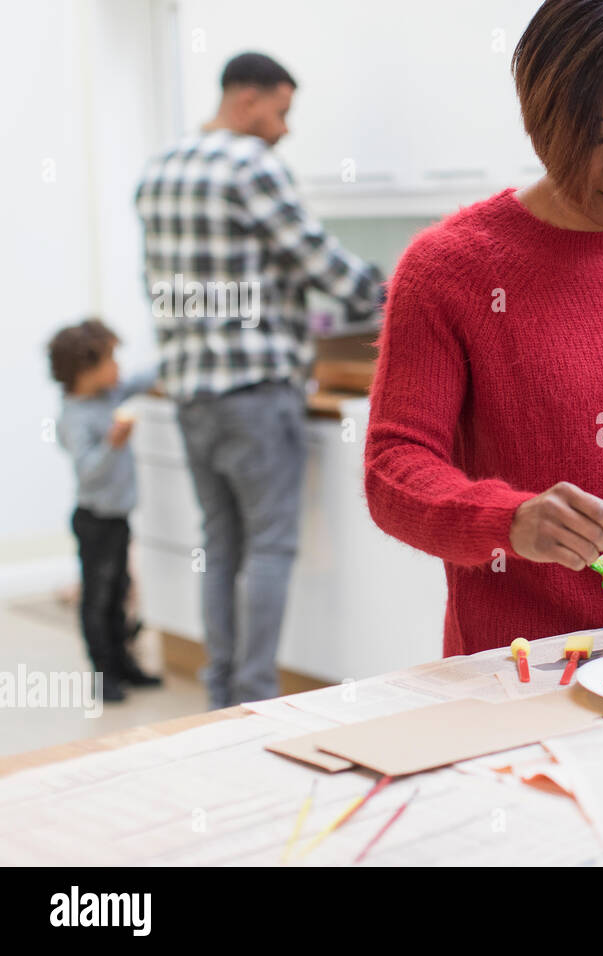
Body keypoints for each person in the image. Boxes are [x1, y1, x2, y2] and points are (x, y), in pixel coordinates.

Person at [364, 0, 603, 657]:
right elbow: (393, 471)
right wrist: (511, 521)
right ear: (540, 115)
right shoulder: (447, 270)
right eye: (599, 135)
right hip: (520, 667)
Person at [134, 52, 385, 707]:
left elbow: (152, 287)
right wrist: (400, 291)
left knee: (220, 545)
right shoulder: (252, 165)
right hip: (257, 391)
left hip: (191, 392)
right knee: (269, 547)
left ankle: (221, 689)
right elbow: (321, 264)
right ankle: (252, 696)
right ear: (246, 100)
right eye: (280, 111)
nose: (284, 129)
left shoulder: (159, 168)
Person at [49, 319, 162, 701]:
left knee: (119, 593)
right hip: (94, 520)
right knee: (96, 599)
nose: (119, 369)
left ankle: (123, 663)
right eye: (112, 360)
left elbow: (139, 381)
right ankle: (103, 674)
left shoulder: (109, 396)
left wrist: (173, 358)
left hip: (117, 518)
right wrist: (113, 442)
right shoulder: (74, 416)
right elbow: (87, 471)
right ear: (85, 371)